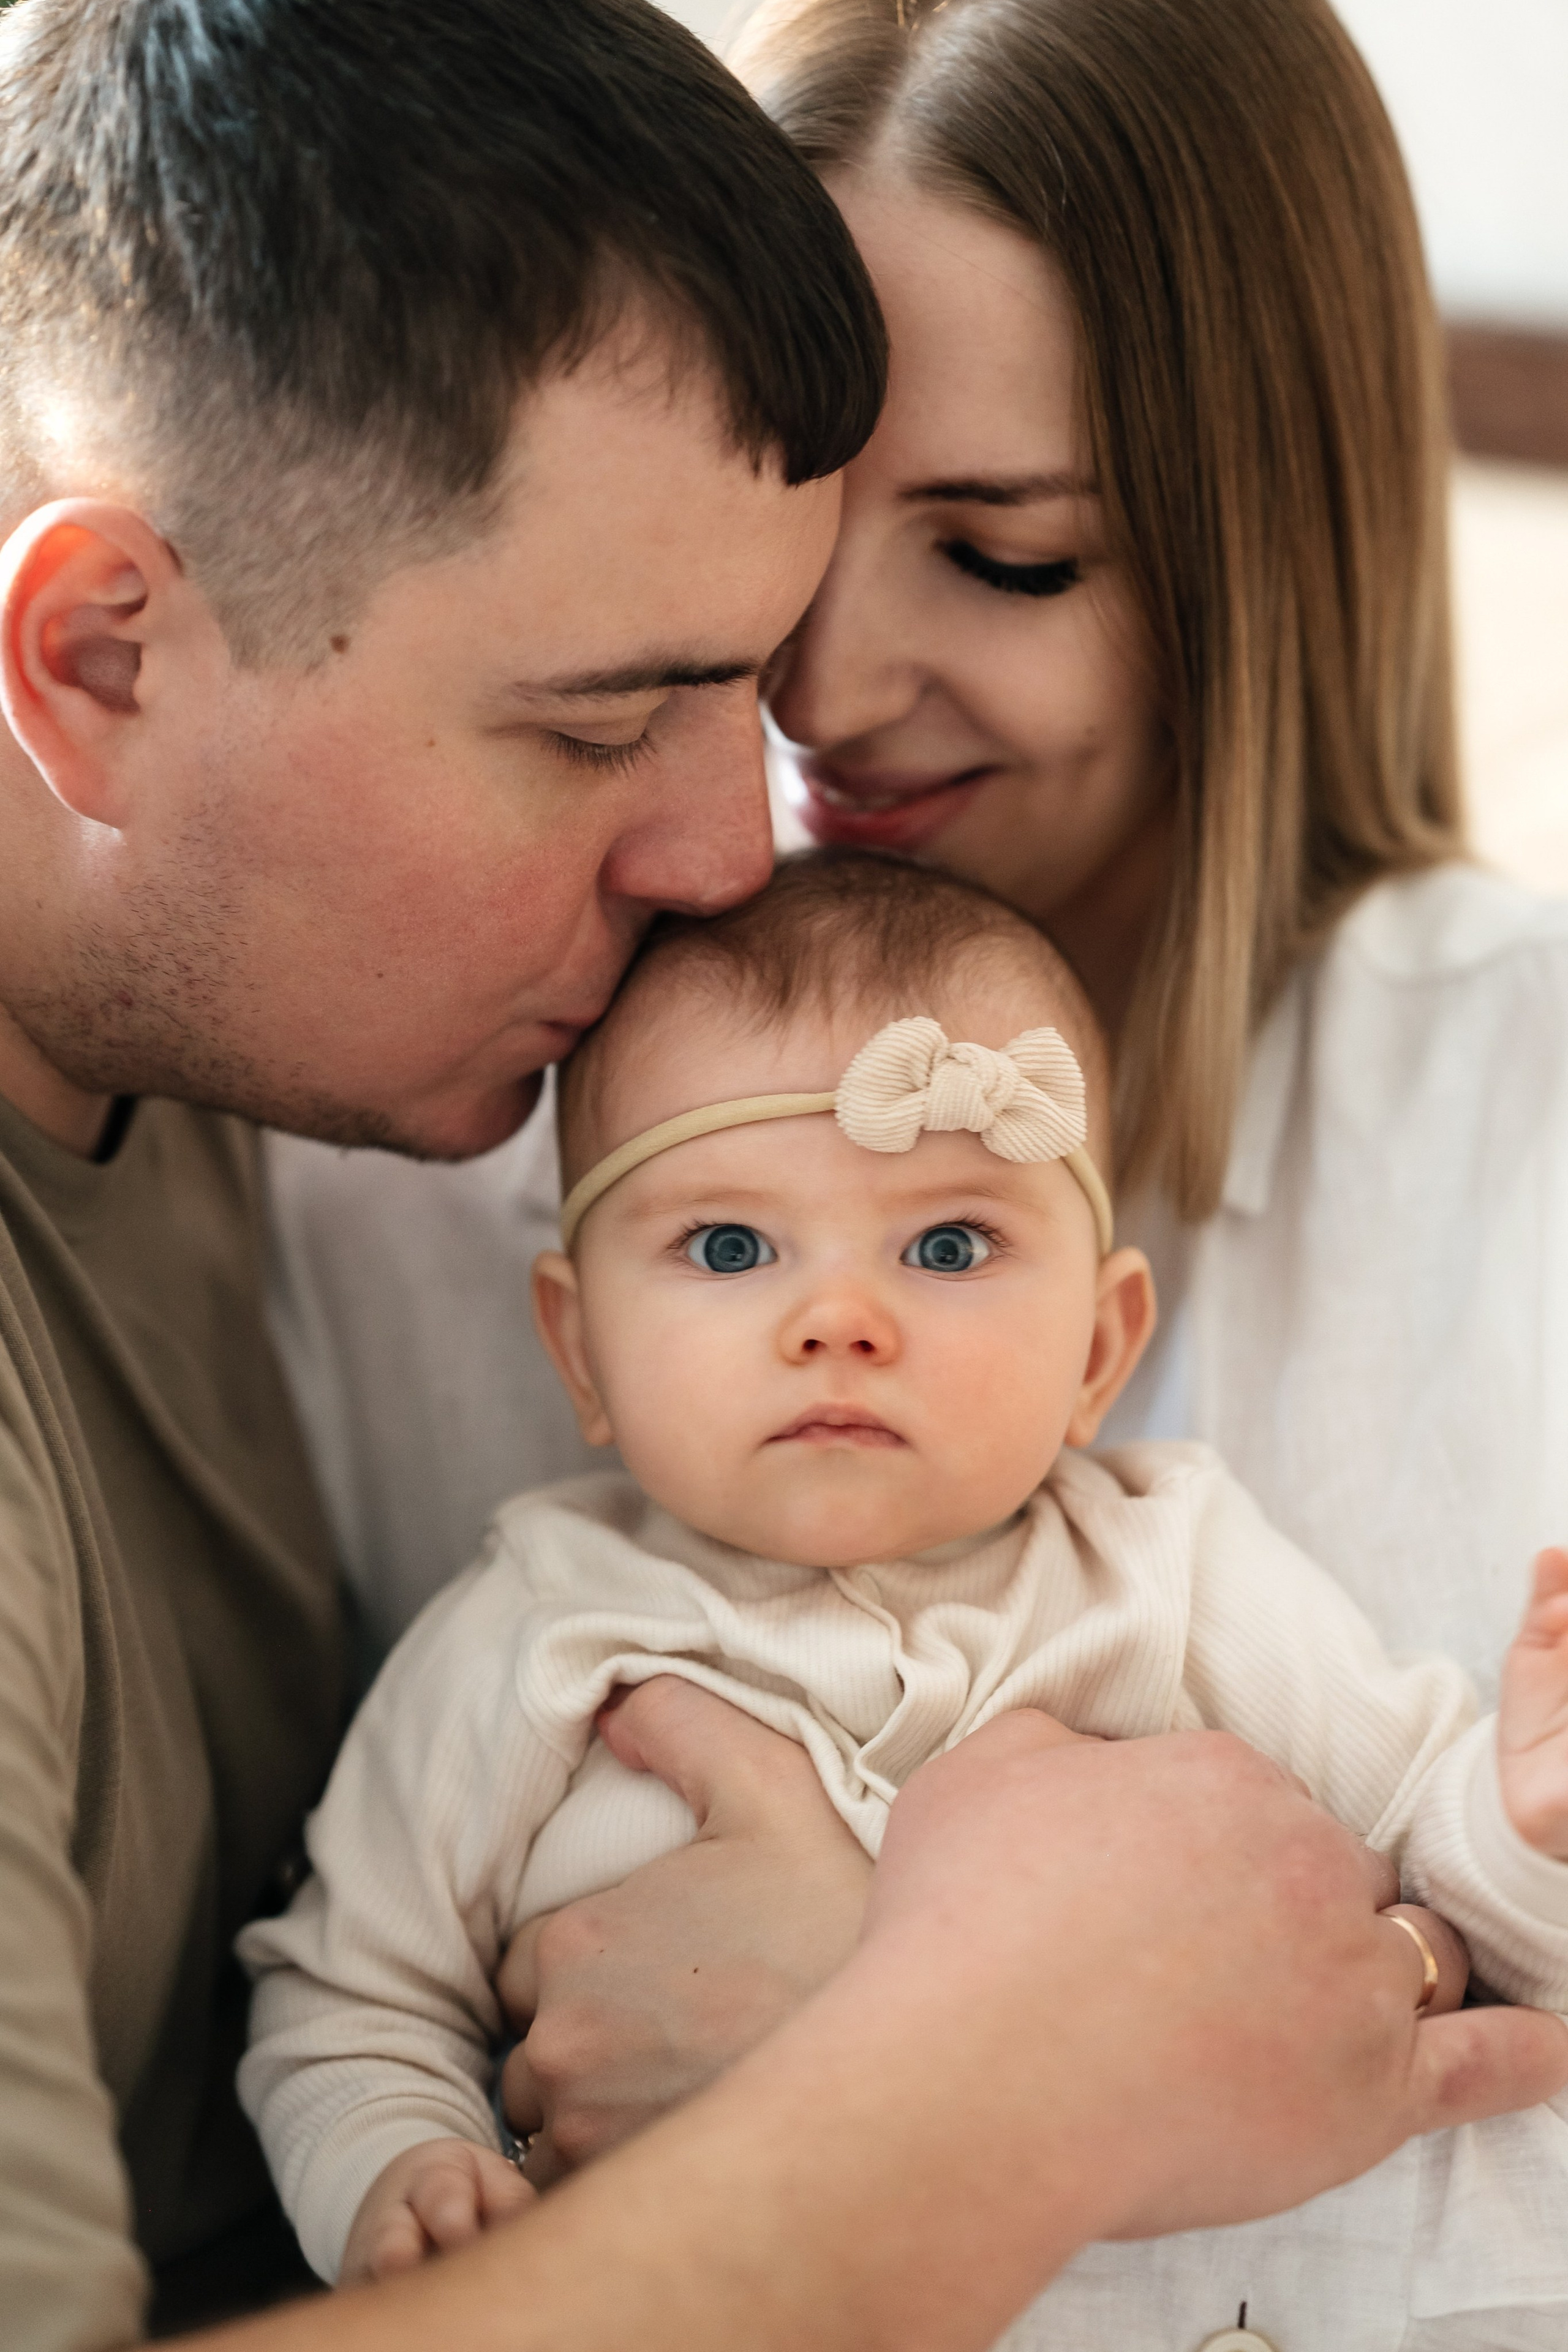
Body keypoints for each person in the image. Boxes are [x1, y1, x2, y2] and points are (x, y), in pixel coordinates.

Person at [4, 2, 1532, 2348]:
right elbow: (349, 2003)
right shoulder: (403, 1104)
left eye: (1005, 555)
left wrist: (1356, 1950)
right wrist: (952, 2085)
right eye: (642, 686)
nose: (784, 755)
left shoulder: (1493, 1122)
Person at [239, 850, 1568, 2316]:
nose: (837, 1319)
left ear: (1096, 1350)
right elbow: (349, 1998)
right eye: (729, 1245)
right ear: (580, 1350)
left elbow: (1425, 1879)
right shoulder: (538, 1626)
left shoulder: (1170, 1562)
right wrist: (396, 2165)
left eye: (946, 1244)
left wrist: (1516, 1825)